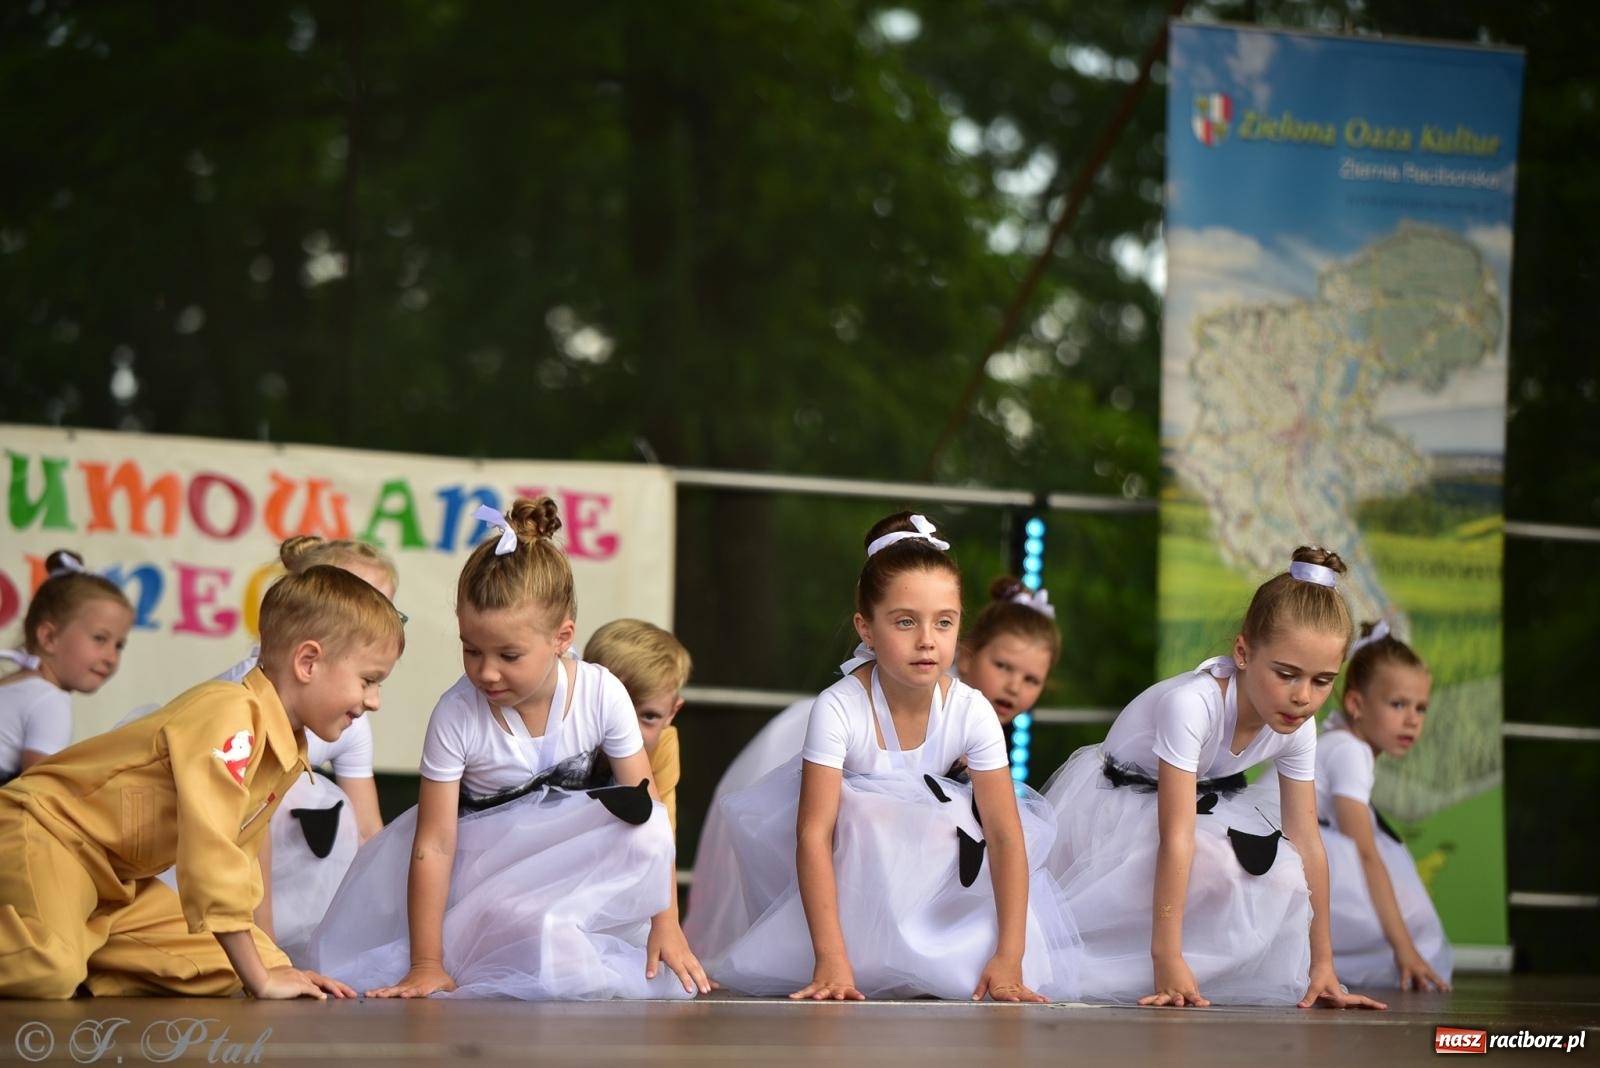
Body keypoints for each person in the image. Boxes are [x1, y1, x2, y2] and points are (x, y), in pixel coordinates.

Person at [307, 498, 710, 1000]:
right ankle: (478, 944)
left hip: (569, 867)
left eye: (509, 655)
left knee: (638, 824)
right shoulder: (457, 714)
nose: (486, 672)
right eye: (471, 649)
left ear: (563, 637)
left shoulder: (601, 692)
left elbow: (645, 816)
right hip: (479, 875)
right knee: (506, 942)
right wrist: (426, 962)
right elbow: (434, 844)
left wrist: (665, 923)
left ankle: (562, 935)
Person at [703, 513, 1079, 1001]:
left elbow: (1006, 836)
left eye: (944, 622)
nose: (927, 639)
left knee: (966, 822)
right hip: (854, 893)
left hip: (934, 887)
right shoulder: (840, 706)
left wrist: (1010, 957)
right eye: (905, 621)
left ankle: (946, 949)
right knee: (867, 807)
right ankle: (852, 953)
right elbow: (814, 834)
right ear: (867, 629)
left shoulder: (971, 710)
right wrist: (831, 959)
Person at [0, 564, 402, 999]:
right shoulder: (230, 714)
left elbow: (241, 860)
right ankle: (59, 945)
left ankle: (74, 934)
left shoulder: (286, 746)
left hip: (116, 882)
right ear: (307, 662)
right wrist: (262, 978)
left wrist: (271, 966)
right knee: (46, 967)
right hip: (49, 834)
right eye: (369, 681)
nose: (375, 701)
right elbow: (210, 852)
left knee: (226, 967)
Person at [1041, 547, 1385, 1009]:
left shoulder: (1298, 726)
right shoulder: (1193, 704)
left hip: (1198, 805)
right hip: (1117, 803)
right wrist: (1166, 954)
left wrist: (1322, 964)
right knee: (1212, 860)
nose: (1303, 697)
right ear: (1242, 652)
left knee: (1283, 873)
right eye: (1286, 674)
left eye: (1323, 680)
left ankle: (1197, 973)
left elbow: (1308, 842)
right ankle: (1158, 961)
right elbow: (1176, 836)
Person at [116, 536, 399, 966]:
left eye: (386, 607)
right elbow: (241, 836)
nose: (376, 618)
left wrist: (385, 933)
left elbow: (366, 829)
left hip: (252, 859)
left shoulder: (349, 713)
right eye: (357, 600)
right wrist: (265, 951)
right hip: (194, 850)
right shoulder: (239, 705)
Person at [1316, 620, 1452, 990]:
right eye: (1398, 704)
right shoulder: (1349, 752)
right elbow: (1364, 854)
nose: (1412, 720)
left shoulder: (1342, 744)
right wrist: (1403, 948)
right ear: (1356, 703)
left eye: (1421, 708)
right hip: (1277, 850)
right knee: (1406, 914)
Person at [0, 551, 134, 783]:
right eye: (100, 639)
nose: (112, 657)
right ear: (49, 637)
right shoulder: (50, 701)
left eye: (119, 645)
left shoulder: (15, 685)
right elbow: (39, 791)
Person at [583, 618, 691, 836]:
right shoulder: (564, 733)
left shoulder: (663, 747)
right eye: (613, 711)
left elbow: (661, 839)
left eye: (648, 716)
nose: (629, 729)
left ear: (671, 713)